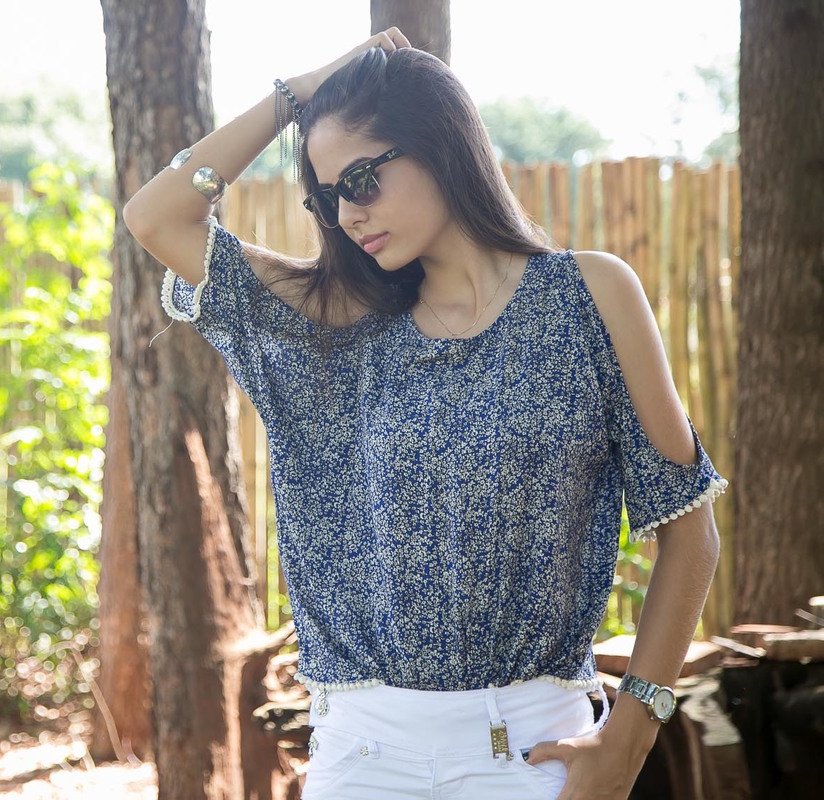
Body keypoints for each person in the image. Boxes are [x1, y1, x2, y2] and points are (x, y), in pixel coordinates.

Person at [122, 27, 726, 800]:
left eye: (362, 179)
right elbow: (158, 216)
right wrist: (296, 94)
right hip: (363, 758)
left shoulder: (589, 297)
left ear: (440, 144)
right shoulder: (336, 324)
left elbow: (689, 528)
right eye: (329, 196)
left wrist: (630, 736)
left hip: (536, 755)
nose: (347, 214)